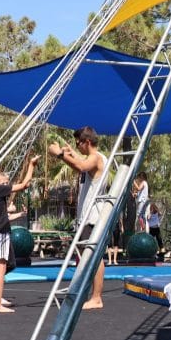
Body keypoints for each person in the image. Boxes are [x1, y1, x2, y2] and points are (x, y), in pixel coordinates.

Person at [49, 126, 106, 309]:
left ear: (87, 142)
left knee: (94, 258)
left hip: (93, 217)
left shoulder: (97, 158)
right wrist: (70, 153)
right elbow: (81, 161)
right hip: (86, 217)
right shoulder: (91, 157)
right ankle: (88, 294)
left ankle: (96, 298)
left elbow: (82, 165)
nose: (77, 146)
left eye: (78, 143)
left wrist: (60, 154)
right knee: (87, 258)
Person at [0, 157, 38, 313]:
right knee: (0, 269)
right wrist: (31, 165)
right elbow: (24, 184)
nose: (1, 177)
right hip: (0, 233)